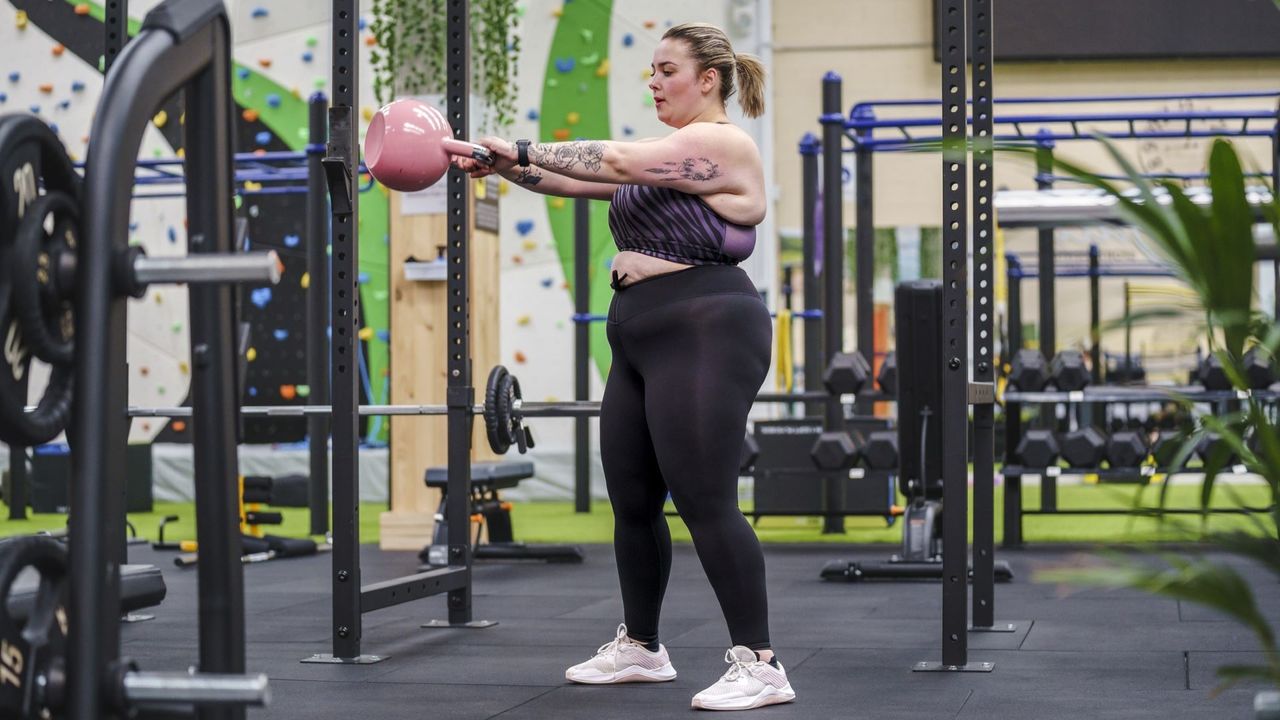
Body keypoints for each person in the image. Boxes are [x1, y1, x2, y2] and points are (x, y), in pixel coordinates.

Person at [455, 22, 794, 712]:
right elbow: (577, 181)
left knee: (705, 500)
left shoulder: (721, 142)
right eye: (652, 71)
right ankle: (642, 647)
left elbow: (609, 160)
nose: (653, 81)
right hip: (639, 334)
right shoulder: (664, 159)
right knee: (633, 502)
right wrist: (504, 168)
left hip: (705, 325)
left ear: (708, 79)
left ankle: (761, 664)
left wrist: (517, 144)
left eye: (666, 70)